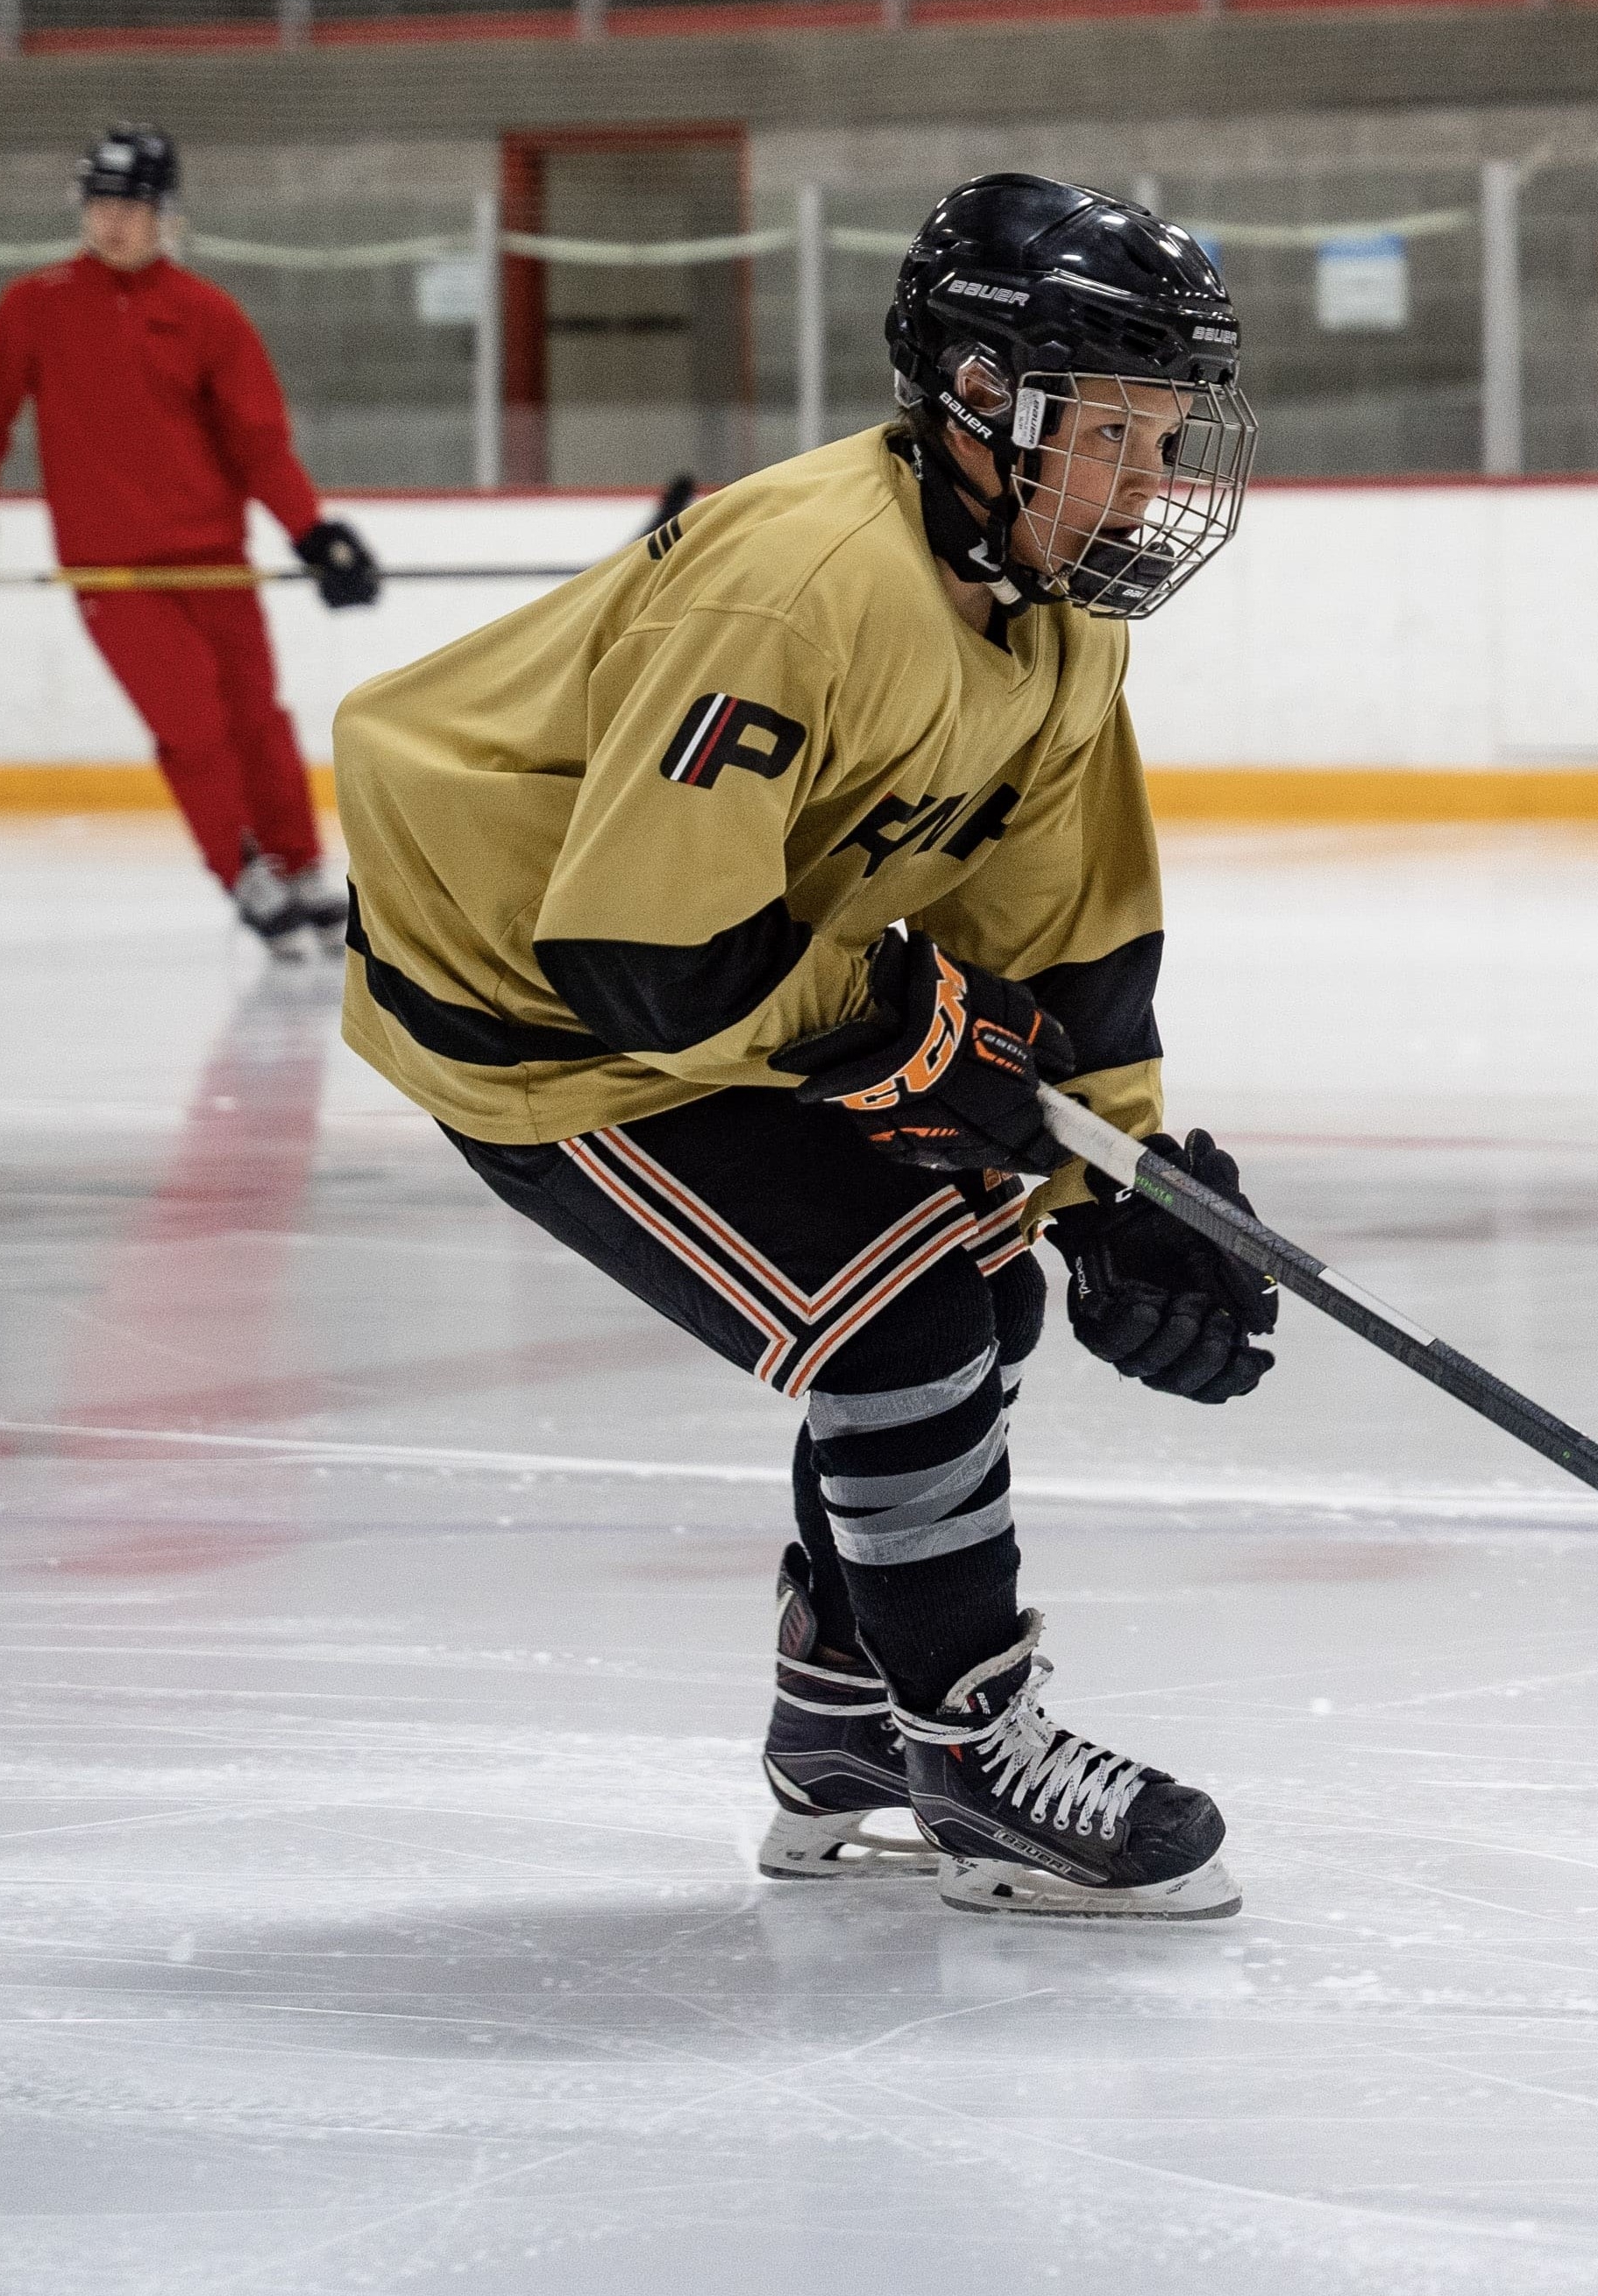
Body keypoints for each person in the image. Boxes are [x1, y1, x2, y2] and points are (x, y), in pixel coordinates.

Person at [327, 174, 1276, 1918]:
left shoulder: (1067, 618)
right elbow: (639, 965)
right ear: (984, 401)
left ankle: (847, 1722)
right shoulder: (804, 586)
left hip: (704, 959)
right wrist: (916, 1047)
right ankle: (975, 1758)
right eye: (1120, 433)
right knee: (901, 1307)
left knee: (977, 1282)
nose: (1156, 480)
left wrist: (1114, 1184)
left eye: (1168, 432)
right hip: (534, 1003)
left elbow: (1069, 935)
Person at [0, 126, 386, 947]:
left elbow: (259, 445)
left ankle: (301, 864)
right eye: (100, 204)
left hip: (215, 566)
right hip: (113, 574)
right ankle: (242, 872)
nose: (113, 223)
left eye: (130, 205)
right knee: (192, 726)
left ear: (165, 211)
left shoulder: (207, 315)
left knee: (256, 720)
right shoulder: (35, 307)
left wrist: (314, 536)